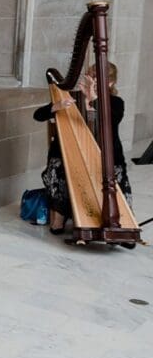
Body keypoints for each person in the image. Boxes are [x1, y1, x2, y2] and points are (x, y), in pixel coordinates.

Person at [34, 62, 132, 234]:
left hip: (106, 156)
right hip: (69, 155)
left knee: (114, 172)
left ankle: (121, 223)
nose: (91, 82)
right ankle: (59, 218)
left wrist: (93, 98)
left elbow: (112, 120)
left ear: (110, 83)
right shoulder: (71, 97)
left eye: (96, 80)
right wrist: (56, 107)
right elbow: (38, 115)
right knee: (58, 166)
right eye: (90, 77)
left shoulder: (115, 102)